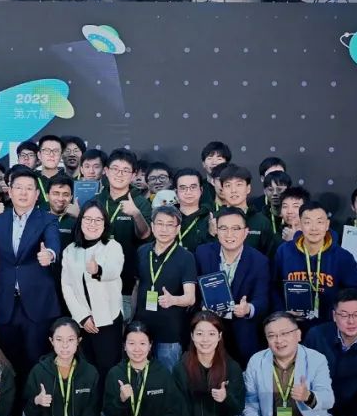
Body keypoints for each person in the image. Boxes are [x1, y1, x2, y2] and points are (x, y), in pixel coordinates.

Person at [0, 165, 62, 416]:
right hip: (5, 305)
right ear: (10, 191)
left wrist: (49, 255)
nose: (24, 193)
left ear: (37, 194)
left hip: (37, 307)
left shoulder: (47, 220)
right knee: (8, 367)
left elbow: (53, 245)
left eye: (30, 188)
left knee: (36, 366)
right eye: (19, 187)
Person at [272, 202, 357, 333]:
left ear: (327, 225)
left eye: (319, 222)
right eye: (308, 222)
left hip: (328, 328)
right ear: (300, 224)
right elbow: (274, 287)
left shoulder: (341, 256)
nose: (314, 228)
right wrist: (282, 312)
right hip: (291, 326)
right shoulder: (284, 252)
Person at [60, 200, 125, 400]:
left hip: (108, 320)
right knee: (86, 371)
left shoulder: (112, 246)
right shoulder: (70, 250)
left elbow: (114, 270)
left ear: (105, 224)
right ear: (80, 221)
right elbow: (67, 286)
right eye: (88, 219)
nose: (93, 224)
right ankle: (88, 411)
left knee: (108, 369)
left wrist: (98, 270)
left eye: (98, 220)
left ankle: (110, 411)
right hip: (83, 322)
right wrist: (82, 317)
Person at [195, 207, 271, 365]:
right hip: (209, 327)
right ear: (216, 230)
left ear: (246, 232)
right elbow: (195, 291)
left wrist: (248, 308)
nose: (229, 234)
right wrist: (203, 305)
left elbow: (262, 299)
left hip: (241, 330)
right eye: (223, 228)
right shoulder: (202, 253)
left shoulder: (259, 261)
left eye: (236, 229)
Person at [242, 312, 334, 416]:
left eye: (284, 333)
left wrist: (308, 396)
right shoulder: (256, 361)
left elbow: (328, 399)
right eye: (272, 336)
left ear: (298, 335)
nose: (279, 340)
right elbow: (250, 404)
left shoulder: (316, 359)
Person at [24, 318, 100, 416]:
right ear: (51, 341)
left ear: (78, 341)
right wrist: (36, 401)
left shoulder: (90, 372)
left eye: (70, 340)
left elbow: (92, 414)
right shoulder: (39, 371)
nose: (65, 345)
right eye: (59, 340)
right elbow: (29, 414)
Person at [133, 206, 197, 369]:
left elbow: (190, 298)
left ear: (177, 229)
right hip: (142, 329)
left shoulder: (186, 257)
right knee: (141, 374)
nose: (164, 229)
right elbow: (137, 287)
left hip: (169, 333)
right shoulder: (142, 251)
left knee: (168, 377)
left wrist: (173, 300)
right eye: (160, 223)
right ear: (152, 226)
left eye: (170, 225)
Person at [102, 321, 184, 416]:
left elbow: (174, 410)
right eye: (131, 343)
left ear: (150, 345)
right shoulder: (115, 373)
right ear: (124, 346)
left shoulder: (162, 373)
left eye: (142, 343)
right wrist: (121, 400)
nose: (137, 349)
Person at [96, 149, 152, 321]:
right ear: (106, 171)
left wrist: (136, 214)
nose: (119, 174)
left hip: (125, 284)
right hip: (95, 281)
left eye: (126, 170)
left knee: (122, 327)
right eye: (115, 169)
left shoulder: (140, 202)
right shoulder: (96, 200)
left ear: (133, 175)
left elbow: (145, 235)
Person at [174, 312, 245, 416]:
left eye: (211, 334)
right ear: (192, 336)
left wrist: (226, 398)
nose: (205, 339)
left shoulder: (232, 367)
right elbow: (180, 408)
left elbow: (238, 408)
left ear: (219, 336)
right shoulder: (181, 368)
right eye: (199, 334)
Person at [218, 165, 276, 255]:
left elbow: (269, 256)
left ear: (248, 188)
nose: (233, 190)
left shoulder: (261, 222)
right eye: (228, 185)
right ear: (222, 190)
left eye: (239, 184)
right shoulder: (214, 220)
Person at [174, 167, 212, 252]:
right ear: (176, 192)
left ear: (201, 190)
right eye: (183, 188)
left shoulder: (210, 217)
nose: (188, 192)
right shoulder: (168, 216)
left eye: (193, 187)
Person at [47, 174, 77, 249]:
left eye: (65, 195)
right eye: (56, 193)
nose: (60, 199)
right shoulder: (38, 220)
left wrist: (79, 217)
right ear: (47, 196)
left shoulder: (77, 221)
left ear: (71, 197)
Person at [199, 140, 232, 209]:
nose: (214, 162)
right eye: (210, 158)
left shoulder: (234, 186)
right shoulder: (198, 187)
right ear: (203, 164)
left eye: (219, 159)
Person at [36, 135, 65, 208]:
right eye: (46, 150)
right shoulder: (31, 180)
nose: (51, 154)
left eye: (56, 151)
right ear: (39, 155)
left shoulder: (69, 181)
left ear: (61, 156)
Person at [260, 170, 292, 238]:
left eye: (279, 189)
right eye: (270, 190)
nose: (275, 193)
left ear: (289, 190)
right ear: (264, 191)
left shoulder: (295, 217)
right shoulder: (260, 219)